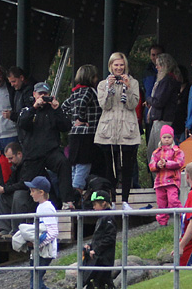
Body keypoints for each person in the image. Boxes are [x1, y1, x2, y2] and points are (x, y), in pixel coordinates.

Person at [95, 52, 141, 207]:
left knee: (127, 166)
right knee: (110, 167)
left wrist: (127, 88)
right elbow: (104, 105)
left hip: (127, 127)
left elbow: (133, 104)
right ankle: (112, 199)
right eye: (116, 65)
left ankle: (126, 200)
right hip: (109, 129)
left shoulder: (133, 83)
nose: (119, 68)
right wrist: (109, 87)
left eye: (121, 65)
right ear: (111, 66)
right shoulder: (102, 84)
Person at [16, 81, 74, 205]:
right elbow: (22, 124)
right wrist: (35, 107)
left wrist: (57, 109)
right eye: (40, 94)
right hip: (33, 155)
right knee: (29, 184)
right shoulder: (27, 109)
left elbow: (66, 126)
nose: (42, 96)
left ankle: (67, 200)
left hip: (51, 152)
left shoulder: (53, 110)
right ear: (34, 94)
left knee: (63, 163)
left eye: (45, 94)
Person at [12, 176, 61, 289]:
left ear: (41, 192)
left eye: (33, 191)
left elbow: (53, 231)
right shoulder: (41, 207)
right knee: (36, 276)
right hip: (39, 250)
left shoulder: (46, 207)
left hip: (45, 250)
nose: (31, 193)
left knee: (36, 277)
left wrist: (38, 243)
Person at [60, 64, 101, 194]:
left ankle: (71, 191)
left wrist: (71, 122)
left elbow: (63, 107)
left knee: (75, 165)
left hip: (74, 134)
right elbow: (83, 104)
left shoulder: (75, 92)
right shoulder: (88, 91)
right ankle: (76, 191)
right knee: (84, 164)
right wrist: (82, 119)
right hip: (86, 134)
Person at [0, 142, 34, 235]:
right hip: (21, 196)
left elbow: (23, 184)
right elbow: (11, 182)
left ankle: (16, 230)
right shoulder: (15, 166)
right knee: (1, 196)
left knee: (19, 194)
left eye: (11, 158)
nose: (9, 161)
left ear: (19, 154)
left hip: (31, 197)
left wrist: (5, 189)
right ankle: (4, 229)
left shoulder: (29, 164)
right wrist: (1, 188)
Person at [81, 189, 117, 289]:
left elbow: (109, 238)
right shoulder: (101, 217)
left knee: (101, 281)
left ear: (104, 203)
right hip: (98, 256)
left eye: (95, 204)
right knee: (100, 282)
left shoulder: (109, 217)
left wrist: (95, 250)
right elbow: (99, 237)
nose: (93, 207)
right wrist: (91, 245)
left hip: (104, 258)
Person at [149, 124, 184, 227]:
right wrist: (157, 165)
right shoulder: (156, 152)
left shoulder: (177, 151)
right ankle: (162, 223)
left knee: (173, 201)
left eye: (169, 137)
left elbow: (179, 163)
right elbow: (151, 165)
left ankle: (184, 217)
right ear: (161, 138)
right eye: (164, 137)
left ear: (172, 138)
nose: (167, 140)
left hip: (172, 181)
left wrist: (167, 163)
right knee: (161, 204)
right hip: (159, 183)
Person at [146, 53, 181, 145]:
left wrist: (149, 99)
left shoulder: (167, 81)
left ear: (165, 66)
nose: (156, 67)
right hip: (161, 118)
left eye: (159, 65)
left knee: (158, 149)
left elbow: (159, 101)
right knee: (153, 149)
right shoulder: (171, 79)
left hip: (162, 119)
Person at [141, 44, 165, 137]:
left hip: (161, 112)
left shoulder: (166, 72)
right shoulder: (147, 71)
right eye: (153, 55)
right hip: (149, 110)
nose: (155, 58)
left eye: (158, 55)